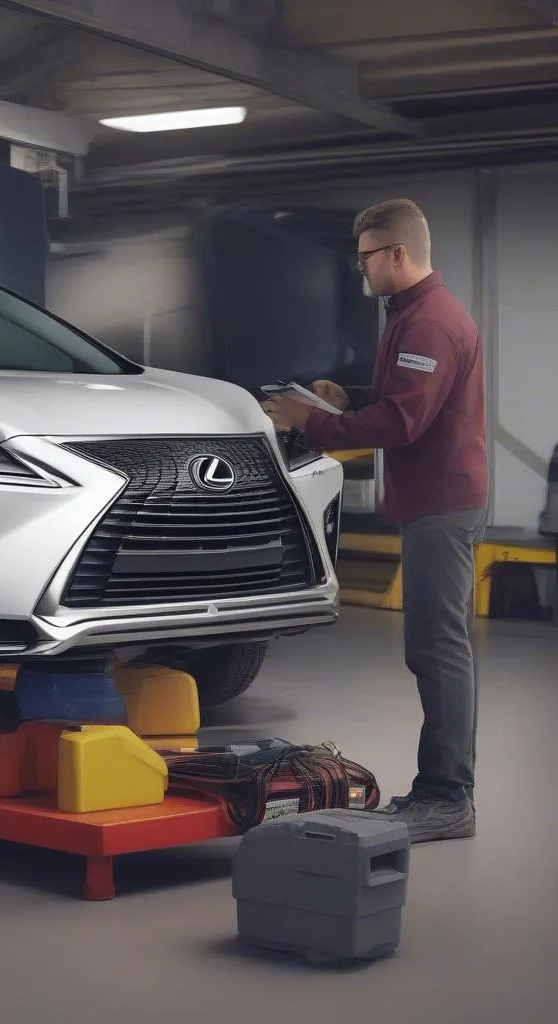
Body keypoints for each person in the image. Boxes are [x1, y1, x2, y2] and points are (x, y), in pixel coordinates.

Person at [263, 198, 489, 845]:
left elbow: (403, 423)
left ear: (396, 253)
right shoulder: (411, 315)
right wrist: (346, 397)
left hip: (442, 506)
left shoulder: (431, 324)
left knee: (438, 650)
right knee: (436, 649)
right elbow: (400, 402)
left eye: (365, 257)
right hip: (434, 501)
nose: (360, 269)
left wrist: (314, 423)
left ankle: (449, 797)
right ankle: (440, 790)